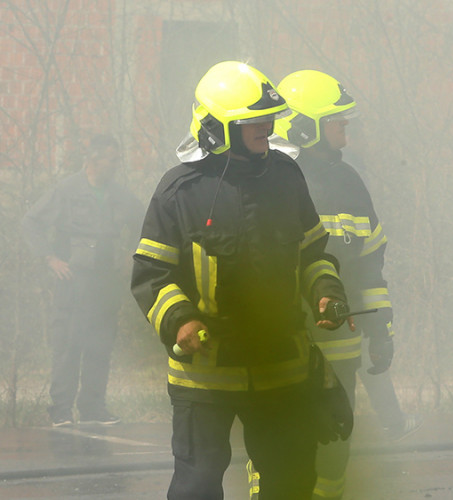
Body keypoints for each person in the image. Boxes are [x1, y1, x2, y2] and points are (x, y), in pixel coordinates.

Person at [130, 61, 353, 500]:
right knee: (196, 487)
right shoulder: (179, 191)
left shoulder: (287, 178)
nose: (266, 128)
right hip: (205, 378)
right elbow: (151, 274)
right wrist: (180, 321)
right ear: (216, 127)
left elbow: (312, 254)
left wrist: (326, 293)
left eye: (267, 119)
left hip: (280, 369)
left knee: (290, 483)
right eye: (253, 121)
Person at [247, 69, 420, 500]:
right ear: (306, 127)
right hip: (283, 348)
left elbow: (369, 266)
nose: (346, 128)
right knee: (277, 449)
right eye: (337, 120)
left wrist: (381, 330)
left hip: (341, 351)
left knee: (334, 451)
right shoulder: (272, 180)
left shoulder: (350, 182)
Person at [22, 134, 143, 427]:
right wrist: (49, 258)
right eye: (112, 159)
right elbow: (31, 222)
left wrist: (131, 252)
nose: (116, 165)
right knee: (68, 344)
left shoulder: (119, 194)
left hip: (106, 283)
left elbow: (144, 220)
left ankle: (93, 407)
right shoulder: (66, 190)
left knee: (100, 345)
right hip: (74, 282)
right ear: (93, 160)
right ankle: (61, 409)